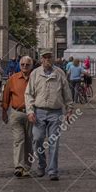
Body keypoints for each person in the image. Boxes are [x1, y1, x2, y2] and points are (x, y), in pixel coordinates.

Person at [25, 50, 73, 181]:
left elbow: (66, 92)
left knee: (54, 142)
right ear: (41, 60)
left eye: (49, 57)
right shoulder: (35, 73)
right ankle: (41, 165)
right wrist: (29, 111)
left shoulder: (59, 73)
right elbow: (28, 94)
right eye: (44, 58)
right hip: (38, 111)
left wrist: (69, 109)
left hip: (55, 112)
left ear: (53, 59)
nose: (47, 60)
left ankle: (53, 170)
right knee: (37, 139)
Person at [2, 56, 34, 177]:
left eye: (27, 64)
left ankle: (27, 167)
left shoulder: (34, 78)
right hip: (16, 113)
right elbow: (6, 95)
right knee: (18, 139)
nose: (25, 66)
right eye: (22, 64)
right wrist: (4, 111)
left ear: (31, 66)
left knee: (29, 141)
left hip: (31, 113)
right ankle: (19, 166)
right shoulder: (13, 78)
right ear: (19, 65)